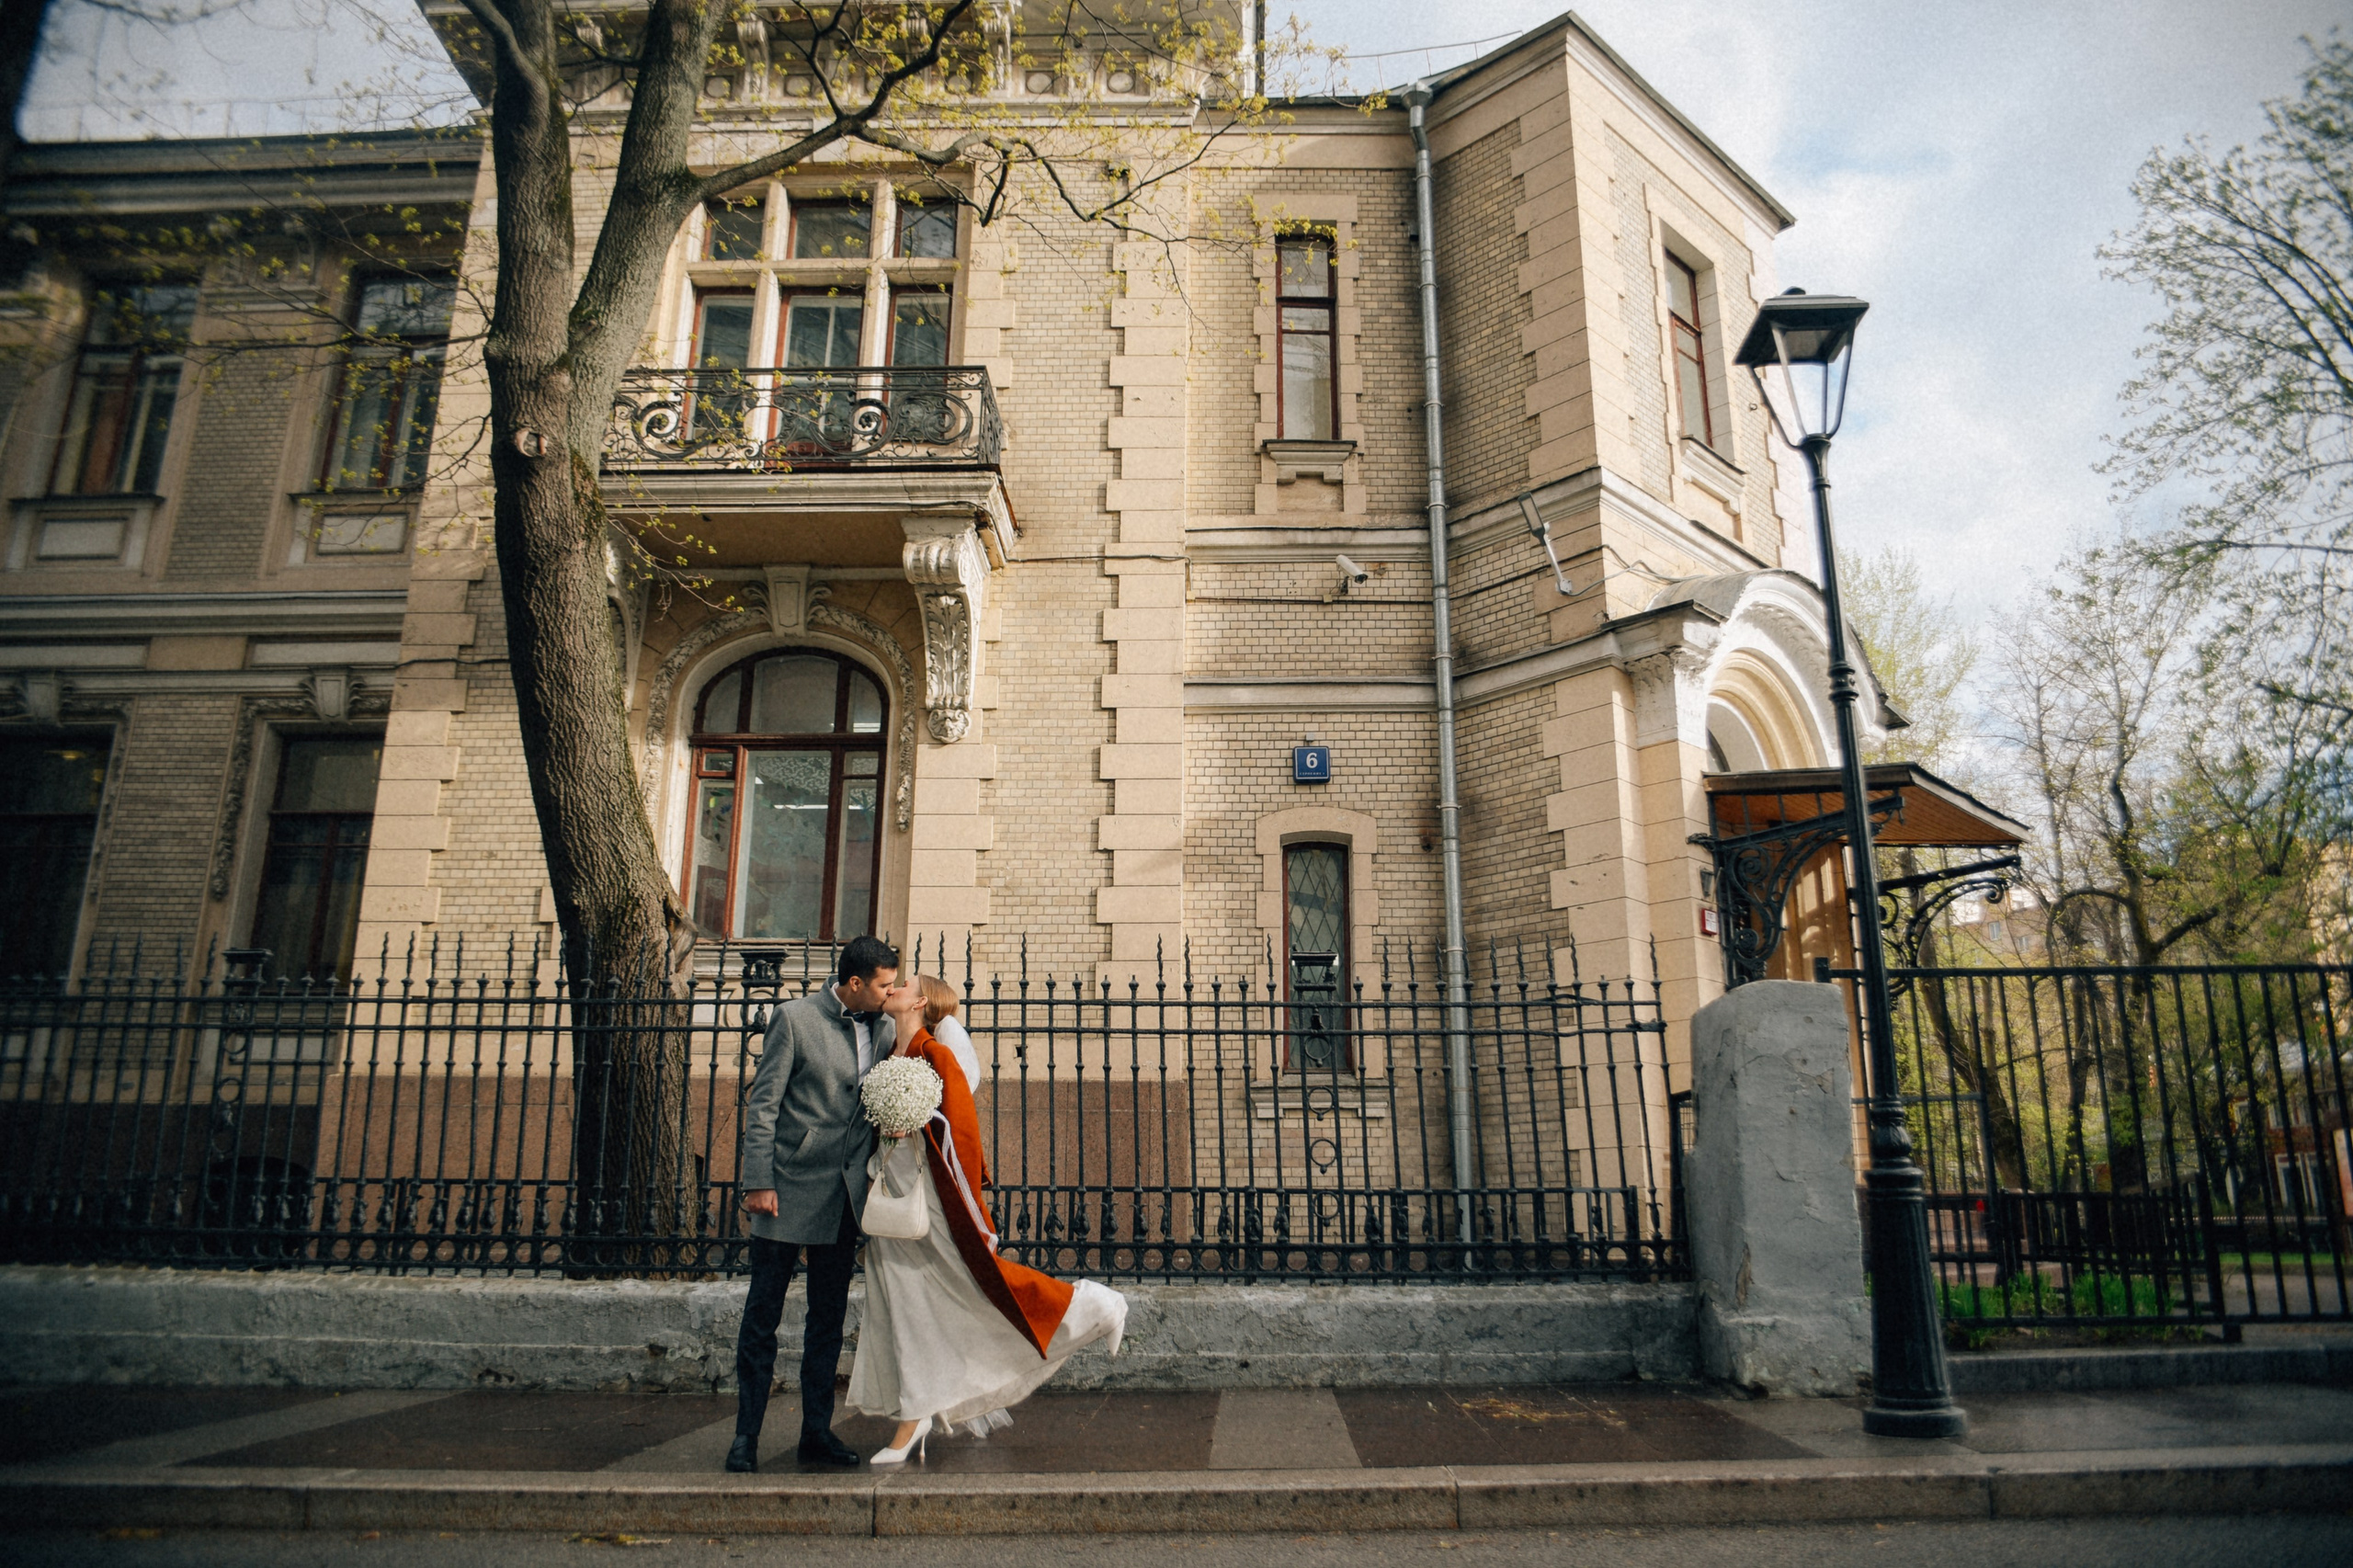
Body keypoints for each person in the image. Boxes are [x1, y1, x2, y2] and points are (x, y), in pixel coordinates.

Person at [846, 975, 1129, 1464]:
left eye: (904, 983)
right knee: (905, 1305)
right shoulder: (888, 1050)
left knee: (967, 1286)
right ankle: (914, 1417)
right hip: (890, 1193)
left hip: (930, 1198)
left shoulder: (936, 1055)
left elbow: (962, 1130)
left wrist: (924, 1134)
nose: (893, 986)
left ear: (921, 1002)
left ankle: (1094, 1307)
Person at [727, 935, 899, 1474]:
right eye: (883, 985)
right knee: (763, 1318)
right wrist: (759, 1180)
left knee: (826, 1322)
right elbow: (764, 1105)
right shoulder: (795, 1019)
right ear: (854, 984)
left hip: (844, 1198)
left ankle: (815, 1434)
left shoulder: (886, 1028)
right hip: (785, 1190)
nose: (890, 995)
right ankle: (745, 1436)